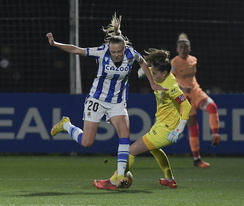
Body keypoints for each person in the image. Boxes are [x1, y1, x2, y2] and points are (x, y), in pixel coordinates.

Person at [46, 13, 166, 187]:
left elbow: (142, 63)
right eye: (113, 52)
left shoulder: (131, 53)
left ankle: (119, 176)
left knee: (125, 134)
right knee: (87, 142)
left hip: (117, 102)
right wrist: (55, 44)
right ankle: (66, 125)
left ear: (124, 49)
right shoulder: (102, 52)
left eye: (119, 52)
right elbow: (76, 49)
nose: (116, 55)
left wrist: (153, 84)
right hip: (97, 99)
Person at [93, 48, 192, 190]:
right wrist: (144, 72)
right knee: (154, 150)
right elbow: (147, 69)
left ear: (164, 73)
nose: (153, 76)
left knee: (131, 151)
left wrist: (179, 129)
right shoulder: (159, 73)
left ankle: (114, 181)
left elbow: (187, 106)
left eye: (156, 74)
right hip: (161, 124)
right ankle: (170, 179)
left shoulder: (172, 87)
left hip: (168, 129)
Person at [171, 33, 221, 168]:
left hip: (196, 92)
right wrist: (182, 87)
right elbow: (170, 81)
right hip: (184, 97)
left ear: (189, 48)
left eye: (185, 47)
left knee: (212, 107)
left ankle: (215, 134)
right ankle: (197, 159)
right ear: (177, 49)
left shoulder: (194, 60)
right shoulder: (174, 63)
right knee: (193, 126)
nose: (183, 49)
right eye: (180, 47)